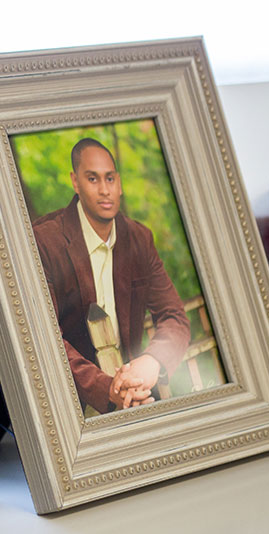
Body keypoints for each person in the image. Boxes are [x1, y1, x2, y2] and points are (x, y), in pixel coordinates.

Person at [32, 137, 190, 414]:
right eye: (92, 179)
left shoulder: (139, 239)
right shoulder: (44, 241)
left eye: (110, 179)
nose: (105, 190)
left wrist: (151, 362)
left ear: (119, 184)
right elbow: (44, 339)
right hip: (70, 404)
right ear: (75, 182)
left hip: (135, 396)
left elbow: (174, 316)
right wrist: (106, 389)